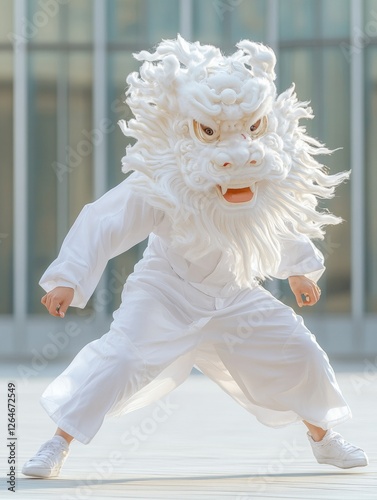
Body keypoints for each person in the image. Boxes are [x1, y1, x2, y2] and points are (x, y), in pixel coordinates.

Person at [22, 36, 368, 478]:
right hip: (166, 292)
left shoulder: (260, 174)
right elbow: (104, 220)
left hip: (236, 292)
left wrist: (299, 270)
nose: (236, 149)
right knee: (121, 359)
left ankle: (324, 438)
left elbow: (277, 222)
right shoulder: (166, 179)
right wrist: (67, 278)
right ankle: (56, 444)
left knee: (299, 349)